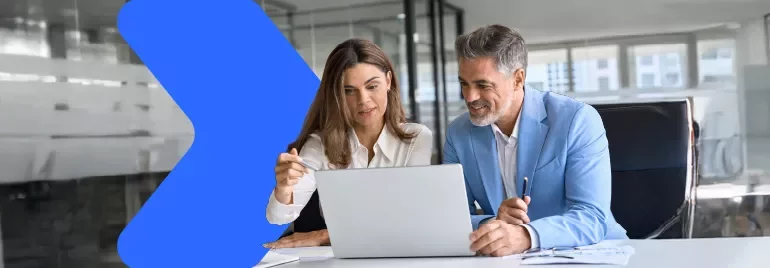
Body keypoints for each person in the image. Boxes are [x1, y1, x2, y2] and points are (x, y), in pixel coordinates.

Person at [444, 24, 628, 257]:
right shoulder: (458, 133)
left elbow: (591, 217)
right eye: (464, 84)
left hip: (589, 254)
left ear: (518, 79)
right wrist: (494, 224)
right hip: (507, 260)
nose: (470, 97)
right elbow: (451, 219)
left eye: (482, 85)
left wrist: (526, 235)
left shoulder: (577, 120)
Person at [264, 38, 433, 249]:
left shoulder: (417, 138)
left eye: (372, 86)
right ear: (336, 94)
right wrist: (284, 188)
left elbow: (409, 220)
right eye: (349, 91)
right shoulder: (320, 144)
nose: (363, 100)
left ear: (388, 81)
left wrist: (325, 235)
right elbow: (277, 218)